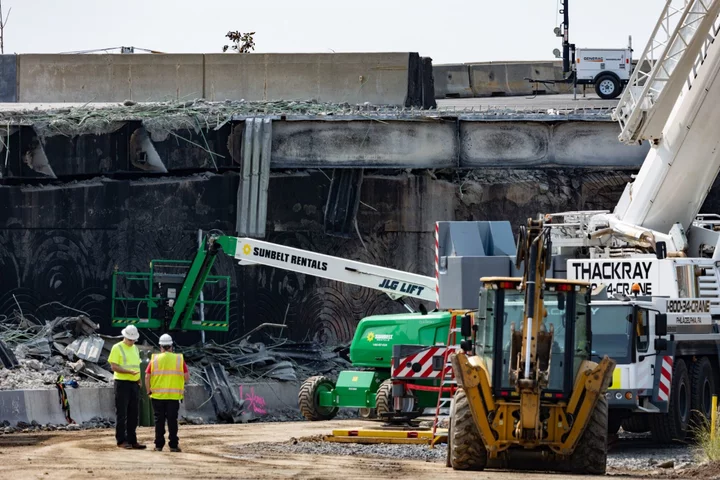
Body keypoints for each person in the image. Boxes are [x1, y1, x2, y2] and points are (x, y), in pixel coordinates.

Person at [145, 333, 189, 452]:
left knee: (159, 421)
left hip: (157, 396)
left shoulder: (155, 359)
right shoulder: (179, 359)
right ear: (171, 346)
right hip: (174, 397)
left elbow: (147, 376)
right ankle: (173, 445)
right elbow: (186, 377)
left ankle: (158, 445)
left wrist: (148, 391)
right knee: (172, 421)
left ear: (160, 347)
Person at [108, 325, 146, 449]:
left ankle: (132, 439)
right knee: (122, 413)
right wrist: (129, 372)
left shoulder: (135, 348)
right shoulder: (117, 347)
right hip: (122, 383)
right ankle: (121, 440)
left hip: (134, 384)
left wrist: (139, 379)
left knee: (133, 414)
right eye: (131, 339)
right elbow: (114, 366)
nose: (132, 342)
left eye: (134, 340)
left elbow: (136, 366)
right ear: (125, 337)